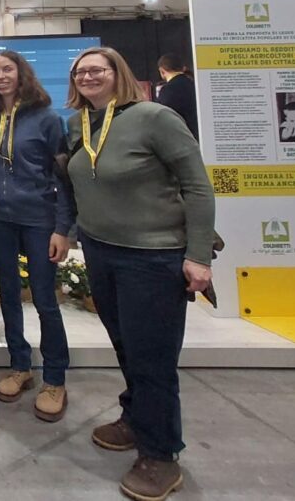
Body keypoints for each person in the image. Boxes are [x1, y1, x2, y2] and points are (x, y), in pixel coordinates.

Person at [66, 47, 215, 501]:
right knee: (127, 347)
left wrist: (199, 255)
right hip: (101, 251)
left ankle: (161, 455)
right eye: (80, 71)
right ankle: (136, 417)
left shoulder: (155, 117)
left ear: (119, 73)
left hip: (152, 257)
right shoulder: (80, 123)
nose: (88, 76)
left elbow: (197, 185)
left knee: (152, 357)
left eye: (98, 69)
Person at [0, 50, 72, 424]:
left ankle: (55, 379)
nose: (1, 76)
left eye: (8, 69)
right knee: (8, 295)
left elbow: (63, 177)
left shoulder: (47, 119)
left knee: (45, 299)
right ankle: (21, 366)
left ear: (22, 74)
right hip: (0, 219)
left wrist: (62, 229)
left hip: (39, 220)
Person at [156, 53, 199, 141]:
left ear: (162, 71)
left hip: (178, 138)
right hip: (197, 137)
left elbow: (161, 117)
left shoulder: (167, 90)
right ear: (183, 68)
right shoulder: (195, 86)